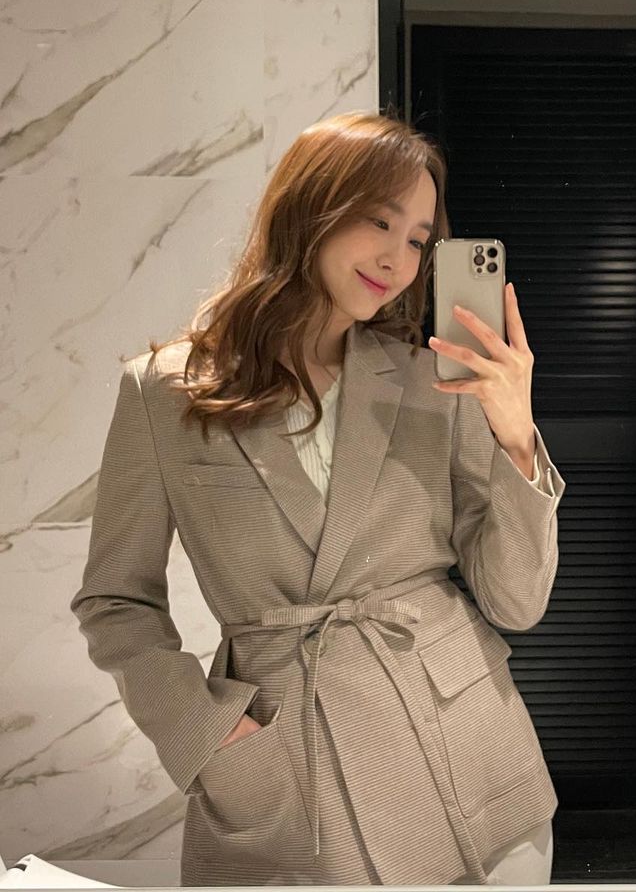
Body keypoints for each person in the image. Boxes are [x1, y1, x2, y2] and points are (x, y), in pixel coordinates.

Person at [70, 111, 567, 886]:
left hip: (471, 760)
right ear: (311, 206)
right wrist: (203, 731)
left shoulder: (430, 381)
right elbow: (115, 600)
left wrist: (515, 437)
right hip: (292, 773)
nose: (399, 259)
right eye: (380, 221)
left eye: (419, 239)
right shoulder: (165, 391)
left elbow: (515, 601)